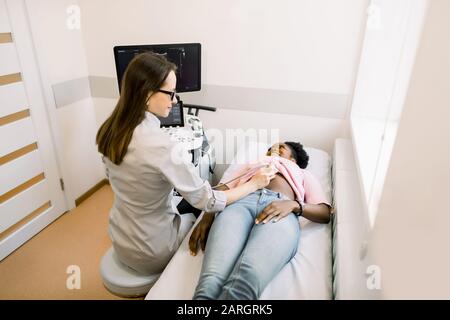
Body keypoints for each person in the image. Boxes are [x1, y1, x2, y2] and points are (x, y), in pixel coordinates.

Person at [96, 52, 274, 276]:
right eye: (170, 93)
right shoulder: (161, 145)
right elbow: (207, 201)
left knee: (180, 199)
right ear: (146, 94)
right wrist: (254, 184)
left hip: (120, 240)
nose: (174, 100)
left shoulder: (110, 129)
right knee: (194, 213)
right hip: (151, 252)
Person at [189, 142, 332, 299]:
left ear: (292, 159)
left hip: (280, 208)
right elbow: (222, 189)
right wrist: (207, 216)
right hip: (239, 204)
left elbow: (324, 212)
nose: (273, 150)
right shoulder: (253, 165)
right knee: (211, 280)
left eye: (281, 148)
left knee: (245, 282)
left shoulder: (301, 173)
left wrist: (294, 205)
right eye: (270, 149)